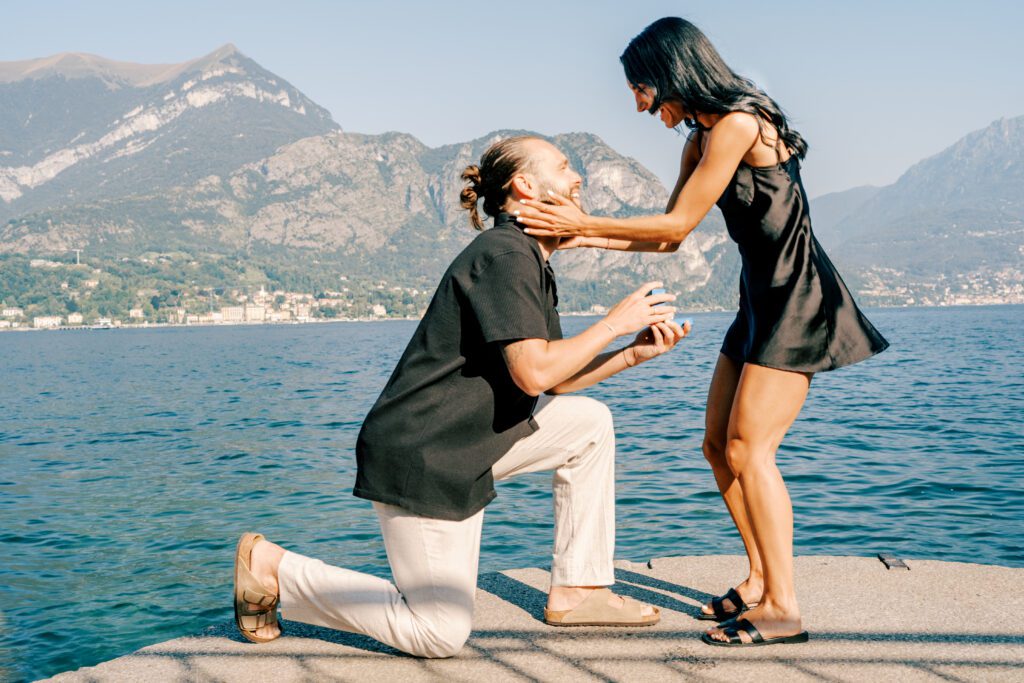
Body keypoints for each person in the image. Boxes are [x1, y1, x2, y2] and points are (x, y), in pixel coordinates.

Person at [232, 135, 692, 657]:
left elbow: (556, 379)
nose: (577, 178)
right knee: (438, 634)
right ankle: (274, 569)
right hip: (427, 456)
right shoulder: (503, 255)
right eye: (564, 167)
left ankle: (580, 588)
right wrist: (613, 323)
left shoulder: (528, 259)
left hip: (470, 445)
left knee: (587, 424)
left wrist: (632, 353)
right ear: (525, 185)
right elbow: (533, 375)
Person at [515, 18, 889, 647]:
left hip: (798, 297)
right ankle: (759, 579)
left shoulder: (743, 123)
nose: (637, 103)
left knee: (750, 451)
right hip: (758, 302)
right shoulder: (699, 141)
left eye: (640, 87)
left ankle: (784, 608)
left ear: (671, 73)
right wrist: (575, 233)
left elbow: (683, 215)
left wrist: (583, 219)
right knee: (717, 447)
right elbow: (670, 235)